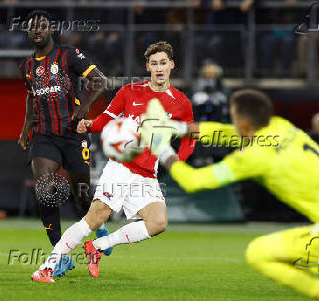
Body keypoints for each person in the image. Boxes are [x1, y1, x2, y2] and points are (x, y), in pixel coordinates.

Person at [140, 89, 319, 301]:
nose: (232, 122)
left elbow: (194, 181)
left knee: (259, 254)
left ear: (245, 123)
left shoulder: (253, 158)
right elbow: (227, 133)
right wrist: (176, 128)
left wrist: (164, 150)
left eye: (234, 117)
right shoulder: (282, 126)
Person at [31, 41, 196, 283]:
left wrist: (180, 162)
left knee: (158, 221)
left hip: (147, 174)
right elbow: (107, 116)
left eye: (163, 63)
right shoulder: (130, 92)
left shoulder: (180, 102)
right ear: (148, 67)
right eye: (154, 64)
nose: (159, 68)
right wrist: (90, 124)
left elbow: (190, 138)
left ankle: (98, 246)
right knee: (96, 217)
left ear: (172, 65)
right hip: (121, 167)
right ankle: (47, 266)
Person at [18, 10, 112, 277]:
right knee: (45, 192)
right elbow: (30, 98)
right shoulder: (27, 66)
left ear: (51, 30)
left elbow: (100, 81)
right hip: (44, 136)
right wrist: (26, 129)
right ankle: (59, 256)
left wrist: (83, 107)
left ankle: (98, 225)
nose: (37, 30)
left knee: (81, 194)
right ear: (28, 32)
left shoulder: (69, 54)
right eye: (32, 26)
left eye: (43, 26)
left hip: (73, 134)